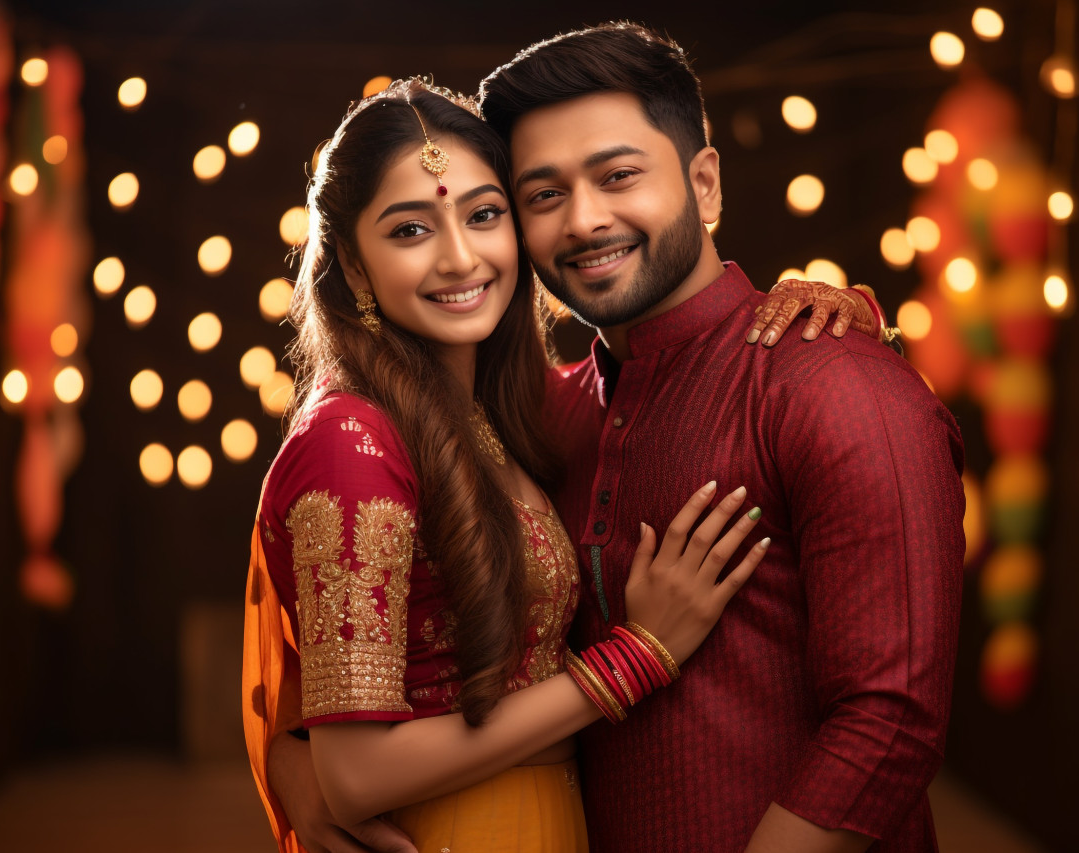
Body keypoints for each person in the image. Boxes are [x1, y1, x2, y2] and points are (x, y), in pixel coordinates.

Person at [243, 77, 877, 853]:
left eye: (483, 215)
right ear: (352, 259)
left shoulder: (510, 416)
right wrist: (637, 657)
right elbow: (355, 776)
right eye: (410, 230)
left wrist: (836, 322)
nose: (459, 256)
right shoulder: (353, 439)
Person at [475, 23, 965, 853]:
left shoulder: (833, 385)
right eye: (543, 194)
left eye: (619, 175)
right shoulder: (543, 415)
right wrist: (297, 758)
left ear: (704, 185)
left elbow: (891, 724)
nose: (585, 220)